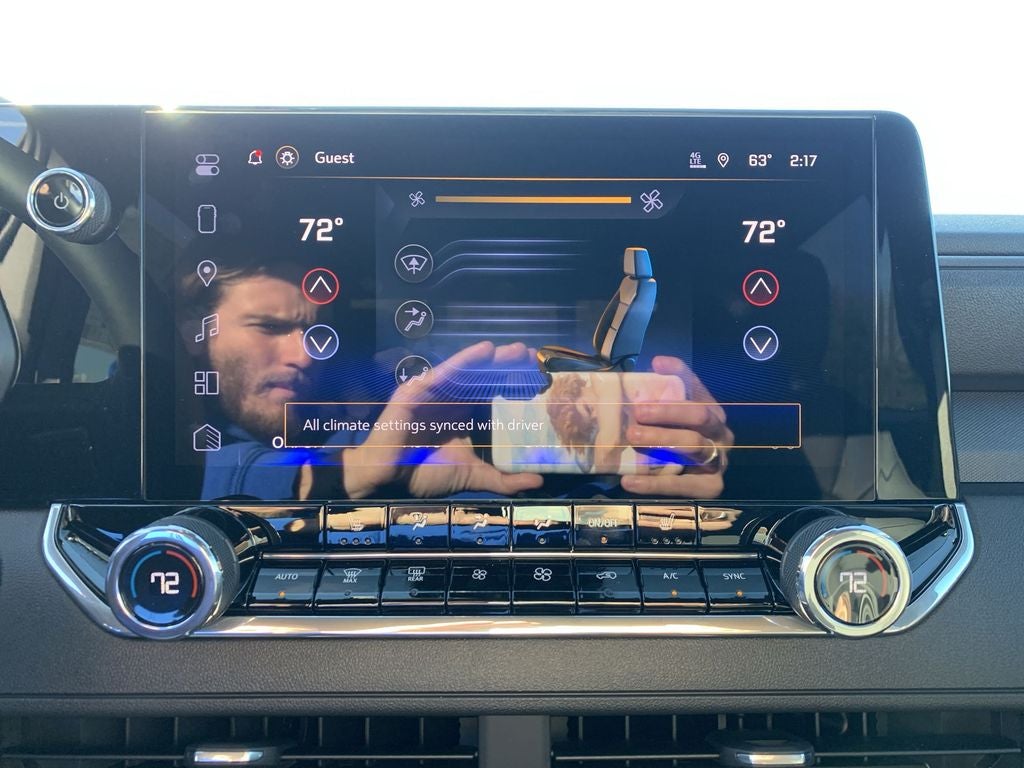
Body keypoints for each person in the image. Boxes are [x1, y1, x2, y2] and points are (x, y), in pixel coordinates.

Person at [184, 260, 732, 500]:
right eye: (269, 327)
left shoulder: (389, 414)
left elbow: (543, 482)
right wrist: (364, 470)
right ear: (197, 332)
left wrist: (657, 465)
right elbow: (206, 483)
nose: (304, 354)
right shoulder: (168, 448)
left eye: (315, 332)